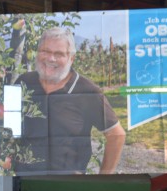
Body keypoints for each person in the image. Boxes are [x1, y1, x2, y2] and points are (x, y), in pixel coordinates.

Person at [14, 27, 126, 175]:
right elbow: (7, 128)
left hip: (69, 186)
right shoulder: (23, 82)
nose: (50, 58)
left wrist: (103, 181)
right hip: (24, 182)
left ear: (71, 58)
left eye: (59, 54)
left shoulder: (87, 91)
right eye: (45, 51)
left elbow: (116, 135)